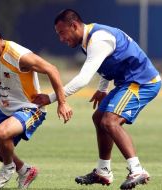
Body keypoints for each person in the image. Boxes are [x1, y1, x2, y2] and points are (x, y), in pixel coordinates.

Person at [32, 9, 161, 189]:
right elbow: (111, 61)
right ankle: (103, 171)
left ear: (74, 26)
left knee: (110, 121)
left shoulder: (98, 40)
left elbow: (83, 79)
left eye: (62, 33)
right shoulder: (91, 38)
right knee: (99, 118)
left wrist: (52, 97)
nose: (61, 39)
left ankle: (137, 170)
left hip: (143, 82)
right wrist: (102, 88)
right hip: (127, 82)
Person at [0, 17, 72, 190]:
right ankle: (25, 171)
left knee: (2, 133)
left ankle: (8, 167)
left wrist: (62, 103)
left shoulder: (19, 56)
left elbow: (52, 69)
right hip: (5, 110)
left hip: (31, 109)